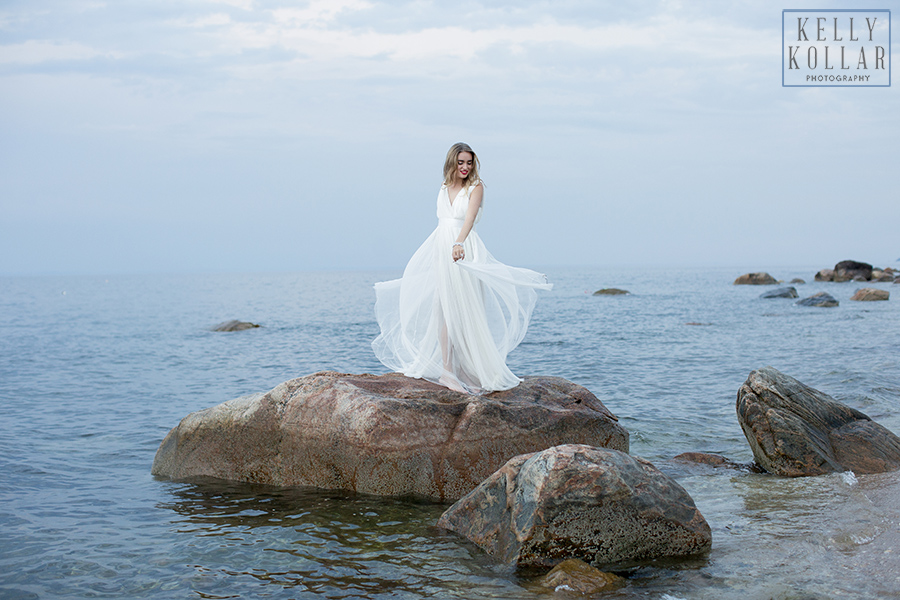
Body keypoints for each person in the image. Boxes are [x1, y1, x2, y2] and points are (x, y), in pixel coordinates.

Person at [372, 143, 552, 394]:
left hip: (462, 248)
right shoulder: (444, 187)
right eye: (460, 162)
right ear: (452, 163)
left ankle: (461, 368)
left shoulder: (475, 187)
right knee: (442, 307)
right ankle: (448, 369)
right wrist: (448, 244)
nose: (465, 167)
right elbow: (442, 220)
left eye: (469, 162)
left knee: (463, 307)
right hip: (440, 246)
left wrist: (459, 242)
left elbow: (468, 218)